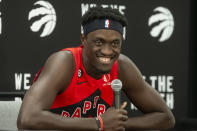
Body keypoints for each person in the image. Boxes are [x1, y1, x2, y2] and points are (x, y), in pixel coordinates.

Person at [17, 7, 175, 131]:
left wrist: (118, 124)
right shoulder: (65, 62)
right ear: (83, 39)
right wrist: (98, 123)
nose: (107, 51)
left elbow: (166, 118)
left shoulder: (122, 66)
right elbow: (27, 118)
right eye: (99, 42)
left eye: (115, 43)